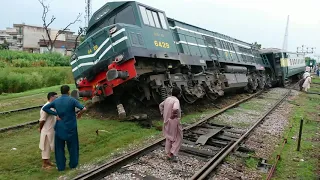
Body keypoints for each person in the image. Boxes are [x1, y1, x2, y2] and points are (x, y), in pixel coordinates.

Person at [42, 85, 87, 171]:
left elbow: (45, 108)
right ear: (69, 91)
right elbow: (84, 108)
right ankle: (73, 164)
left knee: (59, 148)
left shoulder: (56, 101)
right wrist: (79, 114)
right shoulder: (72, 100)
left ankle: (61, 166)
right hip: (71, 127)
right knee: (73, 147)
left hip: (59, 127)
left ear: (61, 92)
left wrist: (55, 114)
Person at [159, 87, 183, 162]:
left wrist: (163, 113)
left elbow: (160, 105)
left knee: (169, 137)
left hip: (166, 121)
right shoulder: (176, 100)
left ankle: (168, 153)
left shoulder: (168, 99)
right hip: (174, 121)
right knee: (178, 137)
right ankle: (172, 153)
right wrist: (173, 115)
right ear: (178, 94)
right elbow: (175, 108)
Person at [39, 92, 58, 169]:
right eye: (56, 97)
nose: (57, 98)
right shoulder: (46, 107)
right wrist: (40, 129)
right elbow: (42, 120)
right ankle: (44, 164)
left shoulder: (52, 106)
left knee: (50, 146)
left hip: (51, 129)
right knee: (46, 146)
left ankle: (48, 161)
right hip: (46, 130)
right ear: (51, 97)